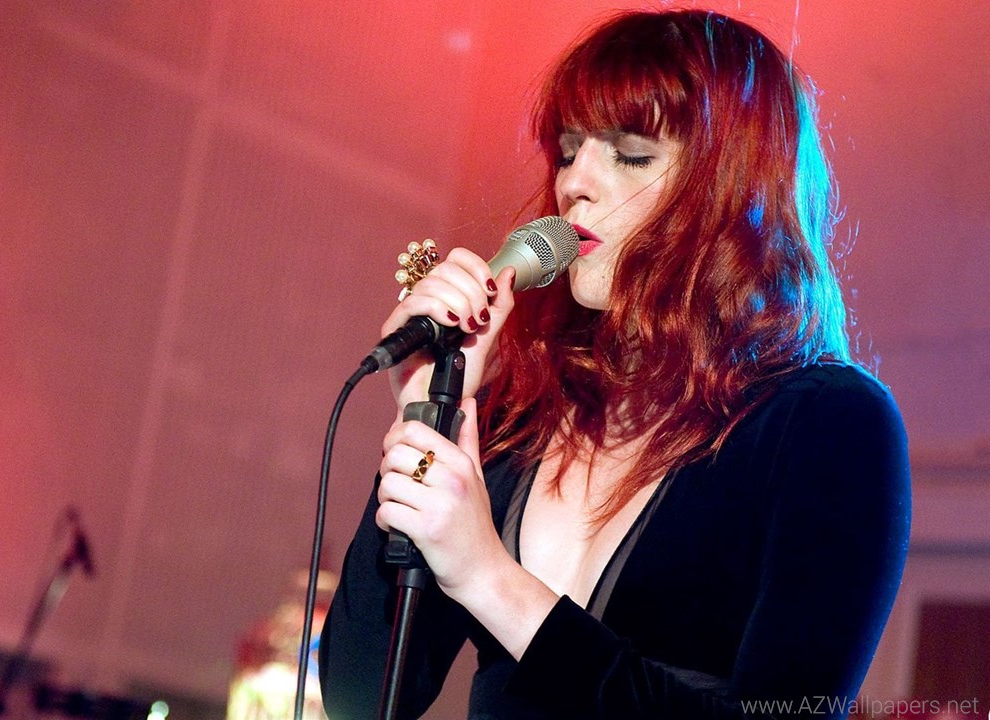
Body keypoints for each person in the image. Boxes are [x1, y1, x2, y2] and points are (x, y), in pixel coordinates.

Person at [318, 8, 910, 720]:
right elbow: (360, 698)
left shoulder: (829, 423)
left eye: (630, 155)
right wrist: (428, 415)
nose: (576, 182)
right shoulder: (521, 418)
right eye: (569, 151)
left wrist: (489, 578)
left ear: (733, 188)